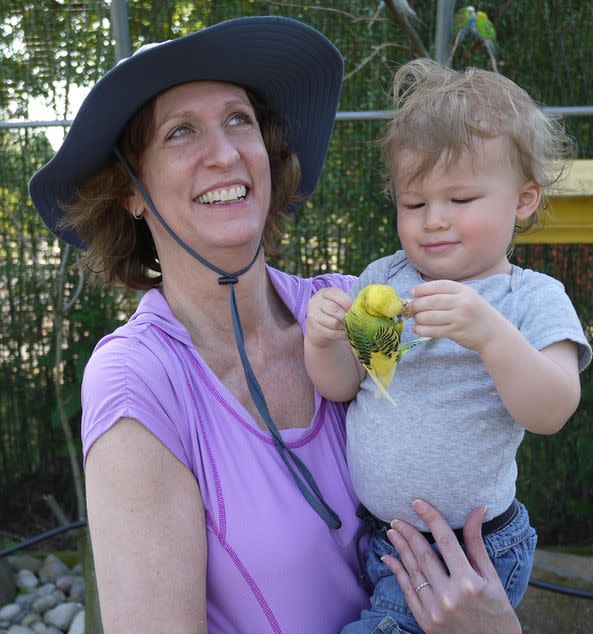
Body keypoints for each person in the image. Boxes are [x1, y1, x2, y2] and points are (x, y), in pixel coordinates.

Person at [30, 18, 524, 634]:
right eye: (181, 131)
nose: (226, 152)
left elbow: (478, 457)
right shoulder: (140, 380)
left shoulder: (354, 308)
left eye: (240, 120)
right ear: (129, 189)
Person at [305, 58, 593, 633]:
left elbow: (552, 410)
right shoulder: (384, 280)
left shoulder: (530, 299)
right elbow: (345, 385)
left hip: (467, 549)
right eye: (414, 204)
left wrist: (489, 334)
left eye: (460, 200)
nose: (434, 221)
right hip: (383, 538)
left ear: (524, 200)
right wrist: (321, 340)